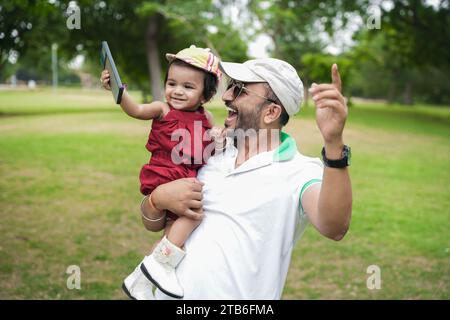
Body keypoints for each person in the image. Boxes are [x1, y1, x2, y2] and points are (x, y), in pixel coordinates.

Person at [126, 57, 352, 299]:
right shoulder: (209, 152)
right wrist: (156, 200)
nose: (226, 96)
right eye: (231, 85)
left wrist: (333, 143)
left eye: (240, 89)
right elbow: (153, 223)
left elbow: (334, 227)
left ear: (272, 112)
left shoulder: (300, 171)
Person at [101, 45, 225, 299]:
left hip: (187, 180)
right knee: (193, 217)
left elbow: (207, 146)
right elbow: (136, 110)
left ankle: (143, 279)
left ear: (205, 95)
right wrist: (119, 90)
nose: (177, 91)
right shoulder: (162, 109)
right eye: (172, 83)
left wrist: (217, 137)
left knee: (173, 234)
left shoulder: (207, 117)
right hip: (166, 176)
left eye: (188, 87)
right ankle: (154, 269)